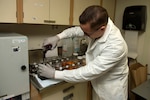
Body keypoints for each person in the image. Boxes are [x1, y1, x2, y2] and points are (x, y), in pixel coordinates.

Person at [38, 5, 129, 100]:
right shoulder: (100, 25)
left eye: (87, 34)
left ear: (102, 29)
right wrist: (58, 37)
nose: (83, 34)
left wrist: (55, 74)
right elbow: (77, 31)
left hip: (111, 93)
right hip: (98, 86)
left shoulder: (116, 46)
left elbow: (88, 72)